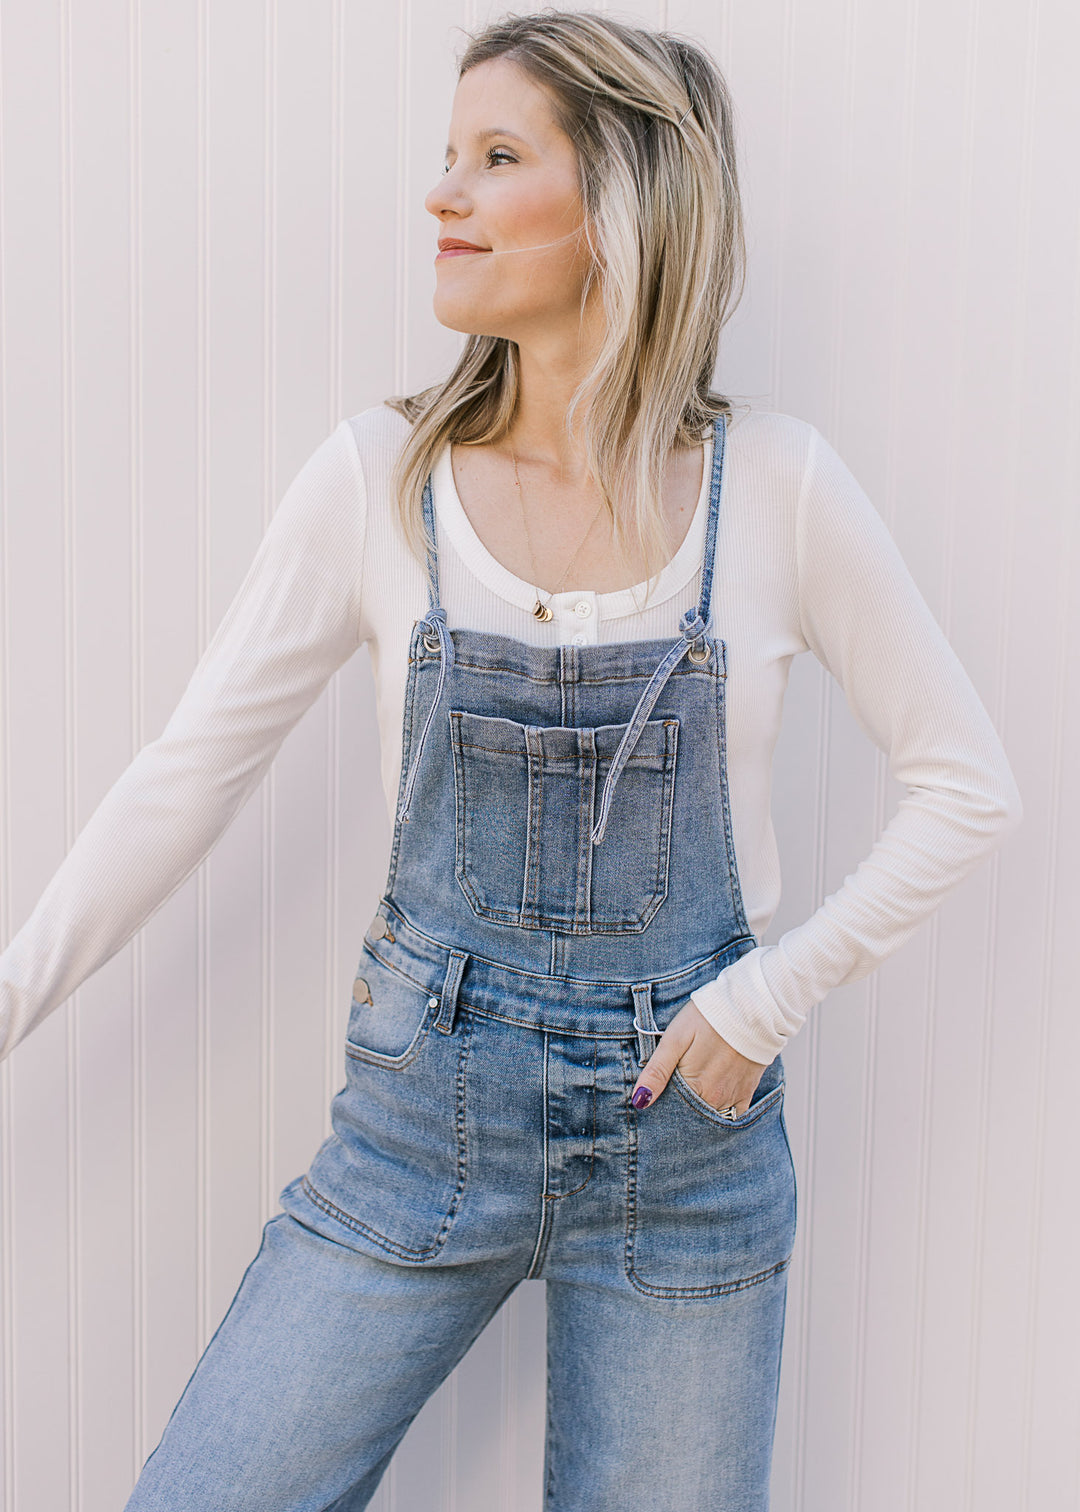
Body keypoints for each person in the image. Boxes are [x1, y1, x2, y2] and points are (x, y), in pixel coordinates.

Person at [0, 11, 1021, 1511]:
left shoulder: (780, 492)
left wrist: (762, 1000)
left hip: (687, 1156)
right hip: (418, 1130)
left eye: (495, 158)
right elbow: (185, 775)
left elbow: (969, 786)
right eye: (447, 156)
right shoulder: (380, 478)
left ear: (621, 205)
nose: (442, 198)